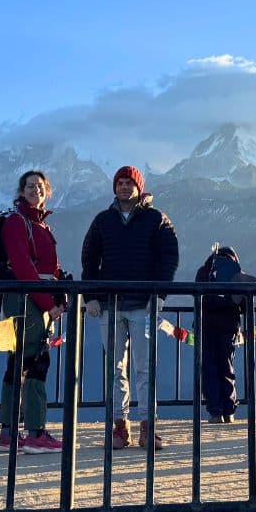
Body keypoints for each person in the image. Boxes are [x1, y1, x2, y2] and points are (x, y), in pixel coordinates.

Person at [81, 165, 180, 450]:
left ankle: (148, 427)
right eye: (120, 183)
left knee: (144, 368)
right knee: (115, 369)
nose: (124, 187)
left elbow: (168, 259)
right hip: (109, 305)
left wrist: (159, 296)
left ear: (139, 188)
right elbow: (89, 259)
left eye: (129, 183)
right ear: (115, 187)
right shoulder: (102, 220)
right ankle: (119, 427)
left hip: (143, 306)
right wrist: (90, 296)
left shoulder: (157, 219)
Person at [0, 170, 67, 454]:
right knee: (36, 361)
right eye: (29, 186)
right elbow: (22, 267)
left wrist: (58, 295)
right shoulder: (17, 222)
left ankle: (8, 433)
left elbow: (51, 267)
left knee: (19, 362)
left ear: (47, 190)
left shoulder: (40, 225)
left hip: (33, 298)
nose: (35, 190)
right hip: (26, 299)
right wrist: (48, 303)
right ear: (21, 191)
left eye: (39, 186)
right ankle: (35, 432)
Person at [194, 245, 253, 423]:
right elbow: (245, 305)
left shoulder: (204, 272)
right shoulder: (238, 274)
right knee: (227, 368)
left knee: (209, 369)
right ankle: (229, 410)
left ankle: (215, 411)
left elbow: (197, 297)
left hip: (206, 327)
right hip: (229, 328)